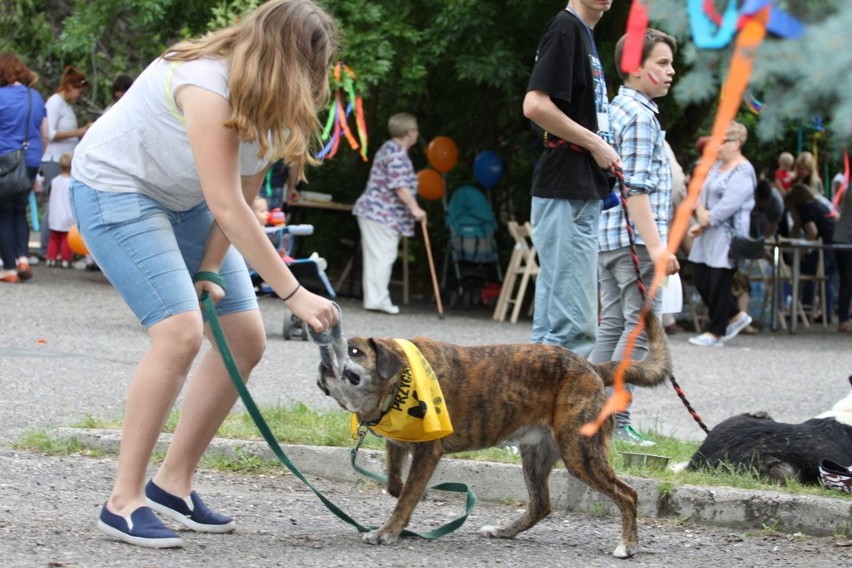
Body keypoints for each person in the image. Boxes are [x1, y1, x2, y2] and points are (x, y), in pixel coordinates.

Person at [69, 0, 340, 548]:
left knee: (245, 338)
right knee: (179, 334)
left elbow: (242, 195)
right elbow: (225, 202)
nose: (316, 81)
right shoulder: (204, 82)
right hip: (117, 189)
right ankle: (123, 501)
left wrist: (211, 266)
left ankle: (172, 485)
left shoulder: (272, 103)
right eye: (312, 67)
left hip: (188, 200)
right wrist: (294, 293)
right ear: (285, 60)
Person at [587, 29, 679, 446]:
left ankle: (584, 409)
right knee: (638, 330)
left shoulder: (615, 108)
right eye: (662, 63)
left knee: (611, 328)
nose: (670, 71)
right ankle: (617, 423)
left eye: (670, 63)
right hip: (635, 240)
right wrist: (658, 247)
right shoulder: (641, 117)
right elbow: (635, 189)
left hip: (608, 237)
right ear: (636, 68)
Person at [522, 0, 621, 357]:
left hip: (573, 187)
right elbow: (535, 105)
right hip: (567, 186)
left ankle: (536, 412)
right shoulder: (566, 28)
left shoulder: (583, 34)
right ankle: (566, 414)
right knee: (574, 327)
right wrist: (596, 144)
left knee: (554, 327)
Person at [687, 121, 756, 347]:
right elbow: (700, 191)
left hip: (727, 233)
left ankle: (715, 331)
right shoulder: (716, 166)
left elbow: (730, 203)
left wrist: (706, 220)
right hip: (707, 230)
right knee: (700, 277)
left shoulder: (744, 170)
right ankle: (735, 315)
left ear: (736, 143)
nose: (717, 147)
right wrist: (699, 212)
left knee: (718, 281)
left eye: (722, 142)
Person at [352, 112, 426, 315]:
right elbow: (400, 186)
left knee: (378, 256)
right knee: (383, 256)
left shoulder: (390, 149)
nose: (416, 134)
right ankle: (378, 300)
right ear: (409, 132)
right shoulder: (396, 153)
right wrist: (415, 209)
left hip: (375, 212)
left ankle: (375, 299)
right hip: (381, 213)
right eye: (416, 130)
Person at [0, 53, 48, 283]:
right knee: (20, 211)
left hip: (4, 162)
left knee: (3, 214)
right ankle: (23, 259)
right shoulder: (35, 97)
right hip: (30, 161)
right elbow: (45, 133)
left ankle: (9, 269)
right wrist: (36, 158)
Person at [39, 66, 91, 258]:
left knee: (65, 205)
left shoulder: (66, 105)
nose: (79, 95)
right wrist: (79, 132)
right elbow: (49, 133)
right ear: (69, 86)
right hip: (54, 159)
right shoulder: (54, 103)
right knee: (54, 205)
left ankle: (63, 250)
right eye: (79, 91)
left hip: (67, 160)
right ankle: (46, 249)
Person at [784, 182, 837, 323]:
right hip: (836, 243)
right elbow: (797, 226)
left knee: (809, 276)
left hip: (824, 246)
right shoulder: (817, 205)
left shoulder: (804, 208)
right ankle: (826, 313)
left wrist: (803, 251)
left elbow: (812, 232)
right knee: (826, 279)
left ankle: (805, 311)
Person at [45, 152, 75, 268]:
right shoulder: (72, 182)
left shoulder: (55, 181)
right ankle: (65, 258)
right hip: (67, 214)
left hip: (55, 214)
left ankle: (51, 257)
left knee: (54, 237)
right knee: (66, 238)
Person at [832, 177, 852, 332]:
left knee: (847, 280)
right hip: (845, 240)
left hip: (842, 237)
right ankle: (844, 320)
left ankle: (845, 318)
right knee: (848, 279)